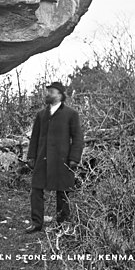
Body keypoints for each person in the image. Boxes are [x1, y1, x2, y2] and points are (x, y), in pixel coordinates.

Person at [25, 81, 84, 233]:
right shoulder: (41, 115)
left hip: (62, 160)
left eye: (51, 92)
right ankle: (37, 223)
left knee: (62, 192)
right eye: (48, 91)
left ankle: (62, 224)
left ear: (60, 95)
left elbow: (78, 138)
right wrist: (31, 156)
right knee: (36, 190)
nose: (48, 94)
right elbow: (35, 137)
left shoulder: (71, 114)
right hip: (42, 159)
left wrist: (74, 159)